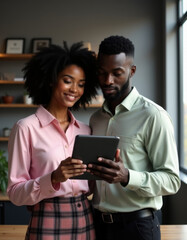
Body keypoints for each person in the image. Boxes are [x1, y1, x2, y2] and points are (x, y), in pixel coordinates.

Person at [87, 35, 181, 240]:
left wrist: (128, 176)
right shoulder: (96, 119)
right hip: (98, 227)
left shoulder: (153, 116)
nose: (107, 80)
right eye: (102, 73)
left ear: (132, 71)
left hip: (138, 228)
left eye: (116, 73)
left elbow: (172, 181)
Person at [7, 42, 98, 240]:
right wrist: (53, 178)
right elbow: (15, 193)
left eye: (81, 84)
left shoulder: (85, 130)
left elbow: (91, 185)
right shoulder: (26, 128)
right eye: (68, 80)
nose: (75, 89)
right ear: (50, 80)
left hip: (85, 218)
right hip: (47, 217)